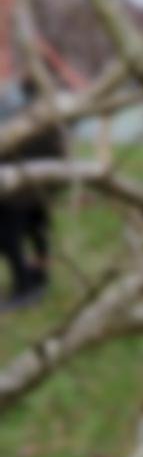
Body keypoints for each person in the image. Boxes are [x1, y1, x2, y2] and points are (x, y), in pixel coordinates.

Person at [0, 76, 62, 310]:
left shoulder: (26, 117)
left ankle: (24, 286)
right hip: (40, 187)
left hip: (20, 192)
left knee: (10, 238)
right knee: (37, 234)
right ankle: (39, 279)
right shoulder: (50, 115)